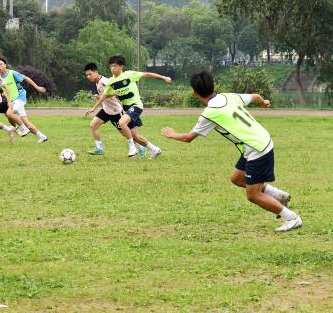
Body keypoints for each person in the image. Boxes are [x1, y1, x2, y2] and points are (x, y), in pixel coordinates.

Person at [161, 70, 301, 233]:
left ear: (195, 93)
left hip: (257, 148)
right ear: (213, 85)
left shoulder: (209, 113)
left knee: (253, 195)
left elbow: (188, 138)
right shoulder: (228, 96)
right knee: (237, 178)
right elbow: (255, 96)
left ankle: (291, 217)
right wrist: (264, 103)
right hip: (257, 142)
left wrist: (172, 134)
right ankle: (278, 196)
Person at [95, 55, 170, 159]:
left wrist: (163, 77)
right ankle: (155, 149)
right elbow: (106, 95)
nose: (113, 68)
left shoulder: (129, 74)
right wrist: (94, 107)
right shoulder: (111, 81)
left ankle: (132, 147)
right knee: (135, 136)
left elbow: (146, 74)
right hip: (127, 109)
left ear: (121, 66)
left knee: (121, 122)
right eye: (111, 66)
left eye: (115, 66)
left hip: (136, 105)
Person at [83, 62, 135, 155]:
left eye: (90, 74)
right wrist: (100, 98)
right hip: (106, 110)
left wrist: (95, 106)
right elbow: (104, 96)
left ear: (96, 71)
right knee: (93, 125)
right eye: (87, 75)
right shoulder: (97, 82)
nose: (88, 76)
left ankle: (140, 147)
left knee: (124, 133)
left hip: (115, 112)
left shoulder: (105, 81)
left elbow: (117, 91)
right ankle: (99, 148)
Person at [0, 57, 49, 142]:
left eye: (1, 64)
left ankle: (23, 129)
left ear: (5, 65)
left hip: (20, 97)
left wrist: (37, 87)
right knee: (25, 122)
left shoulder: (12, 73)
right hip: (12, 100)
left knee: (9, 113)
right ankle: (41, 136)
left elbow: (26, 78)